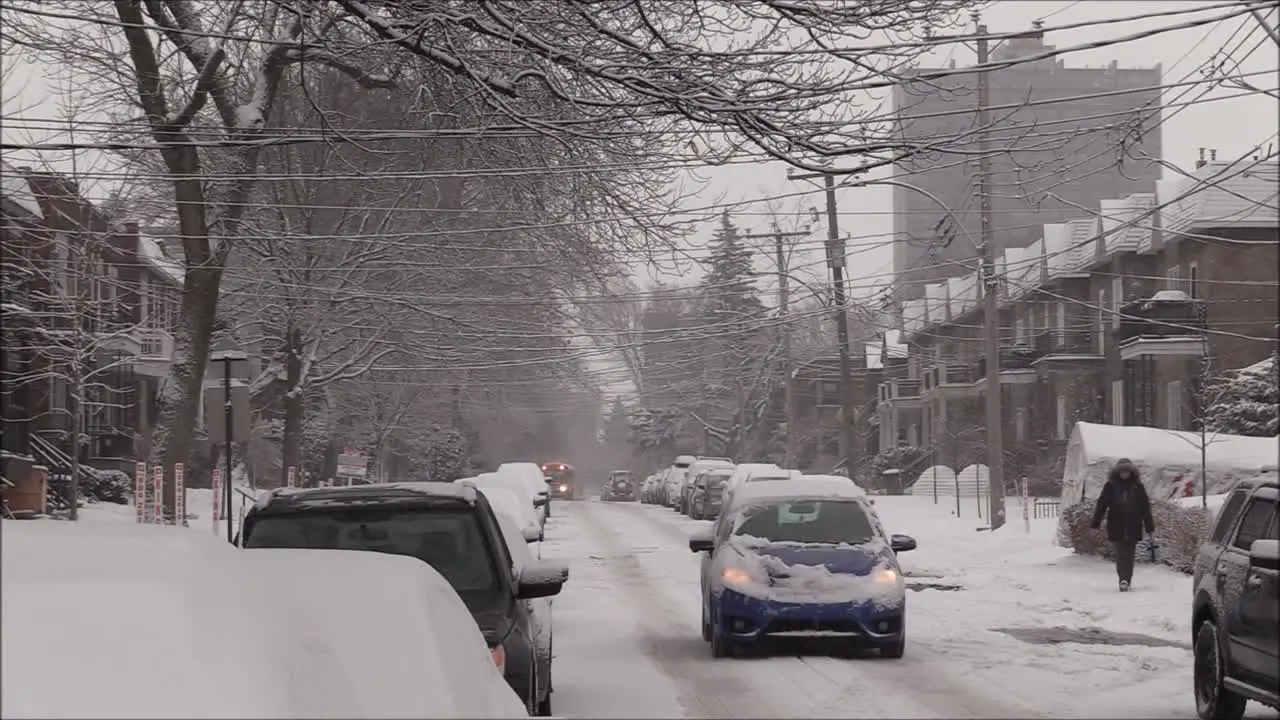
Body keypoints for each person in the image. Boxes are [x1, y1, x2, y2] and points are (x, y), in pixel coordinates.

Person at [1090, 458, 1156, 592]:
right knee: (1120, 554)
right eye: (1122, 472)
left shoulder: (1138, 487)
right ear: (1117, 472)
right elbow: (1102, 504)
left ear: (1131, 473)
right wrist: (1096, 522)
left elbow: (1145, 507)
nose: (1124, 474)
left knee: (1130, 554)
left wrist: (1149, 526)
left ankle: (1127, 579)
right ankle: (1122, 579)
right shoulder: (1111, 486)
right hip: (1116, 524)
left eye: (1127, 472)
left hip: (1133, 524)